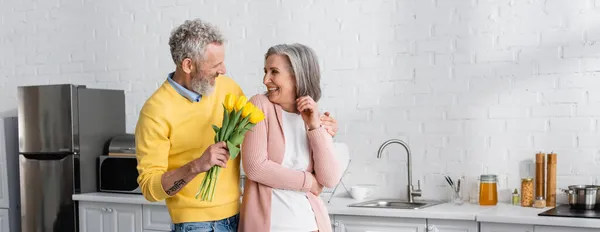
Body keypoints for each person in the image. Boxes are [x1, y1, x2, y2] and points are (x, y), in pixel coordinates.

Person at [135, 19, 339, 232]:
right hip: (196, 224)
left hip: (239, 215)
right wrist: (196, 166)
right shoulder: (155, 111)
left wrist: (321, 129)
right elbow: (150, 189)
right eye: (215, 65)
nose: (223, 70)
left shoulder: (228, 88)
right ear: (188, 65)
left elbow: (268, 131)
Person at [239, 43, 342, 232]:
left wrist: (314, 127)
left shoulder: (313, 115)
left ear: (296, 76)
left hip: (312, 225)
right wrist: (308, 182)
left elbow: (329, 179)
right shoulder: (259, 105)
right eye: (265, 71)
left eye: (274, 72)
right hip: (270, 227)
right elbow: (255, 167)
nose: (265, 79)